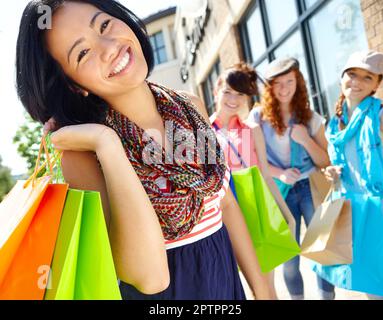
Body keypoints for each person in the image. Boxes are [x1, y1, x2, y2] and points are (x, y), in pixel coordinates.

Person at [16, 0, 272, 300]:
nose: (109, 47)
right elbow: (149, 278)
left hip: (226, 284)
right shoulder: (83, 154)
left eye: (104, 25)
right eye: (83, 53)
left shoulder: (191, 107)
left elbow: (225, 204)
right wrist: (108, 145)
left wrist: (264, 291)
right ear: (74, 85)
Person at [247, 57, 335, 300]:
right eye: (279, 83)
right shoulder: (258, 118)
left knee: (321, 250)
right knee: (289, 257)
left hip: (310, 187)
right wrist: (280, 173)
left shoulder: (309, 117)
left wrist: (306, 139)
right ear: (270, 87)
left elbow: (326, 160)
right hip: (279, 191)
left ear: (298, 84)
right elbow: (252, 157)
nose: (285, 88)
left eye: (290, 81)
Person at [210, 62, 297, 299]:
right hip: (224, 214)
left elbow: (266, 176)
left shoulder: (252, 129)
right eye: (227, 91)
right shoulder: (203, 130)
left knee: (266, 288)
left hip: (256, 208)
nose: (233, 99)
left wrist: (287, 215)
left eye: (240, 94)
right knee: (234, 287)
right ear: (216, 92)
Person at [321, 50, 383, 298]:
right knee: (373, 289)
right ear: (342, 77)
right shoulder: (334, 125)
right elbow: (348, 168)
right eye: (352, 74)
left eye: (367, 77)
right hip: (356, 217)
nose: (357, 82)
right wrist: (334, 174)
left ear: (377, 84)